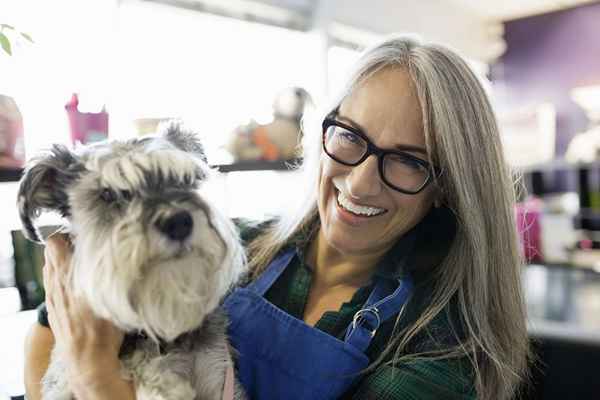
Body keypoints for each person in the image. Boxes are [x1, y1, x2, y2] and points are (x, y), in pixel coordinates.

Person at [24, 34, 530, 400]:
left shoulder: (439, 350)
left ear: (446, 187)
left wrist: (97, 379)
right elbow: (52, 327)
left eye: (408, 160)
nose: (359, 183)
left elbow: (84, 350)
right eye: (350, 135)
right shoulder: (233, 244)